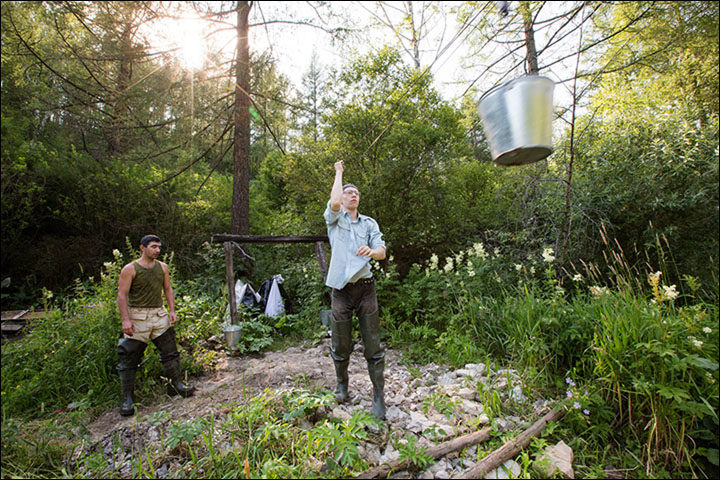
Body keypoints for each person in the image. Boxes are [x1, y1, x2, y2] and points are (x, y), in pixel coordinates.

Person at [324, 160, 388, 419]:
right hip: (340, 290)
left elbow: (382, 252)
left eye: (357, 193)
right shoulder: (335, 219)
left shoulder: (369, 224)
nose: (354, 195)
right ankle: (342, 386)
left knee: (373, 345)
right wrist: (339, 172)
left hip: (365, 290)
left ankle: (378, 397)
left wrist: (372, 252)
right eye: (351, 192)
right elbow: (335, 202)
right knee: (340, 343)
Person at [116, 234, 195, 416]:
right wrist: (125, 319)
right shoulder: (130, 269)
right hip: (138, 316)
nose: (157, 250)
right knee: (128, 358)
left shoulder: (162, 267)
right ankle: (127, 398)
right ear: (142, 248)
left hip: (158, 314)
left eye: (159, 247)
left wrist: (172, 310)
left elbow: (167, 288)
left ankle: (175, 386)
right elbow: (122, 295)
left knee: (170, 351)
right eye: (153, 247)